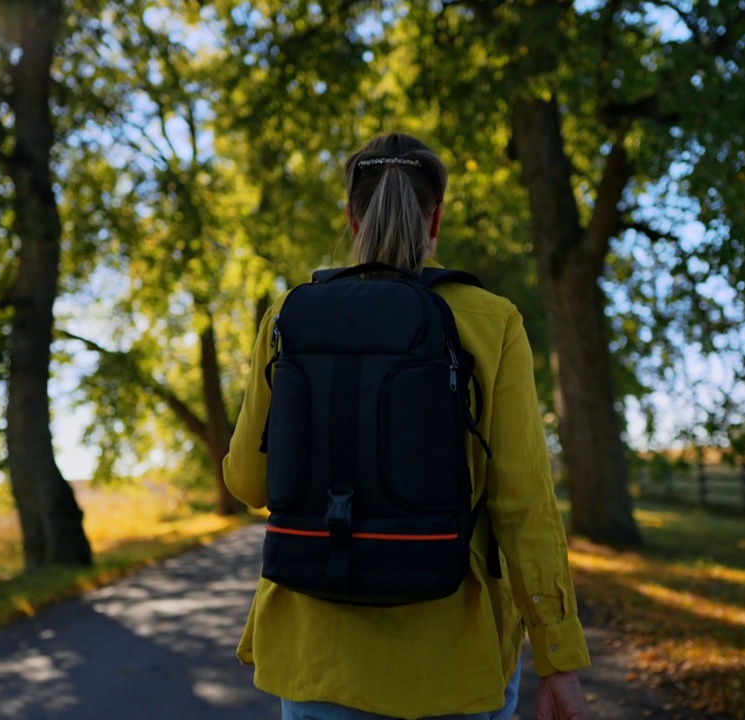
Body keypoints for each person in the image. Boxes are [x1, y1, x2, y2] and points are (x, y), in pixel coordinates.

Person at [223, 132, 591, 720]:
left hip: (319, 659)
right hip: (453, 665)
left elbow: (249, 481)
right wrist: (558, 660)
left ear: (351, 216)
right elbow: (525, 505)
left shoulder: (289, 316)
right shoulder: (492, 321)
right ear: (435, 217)